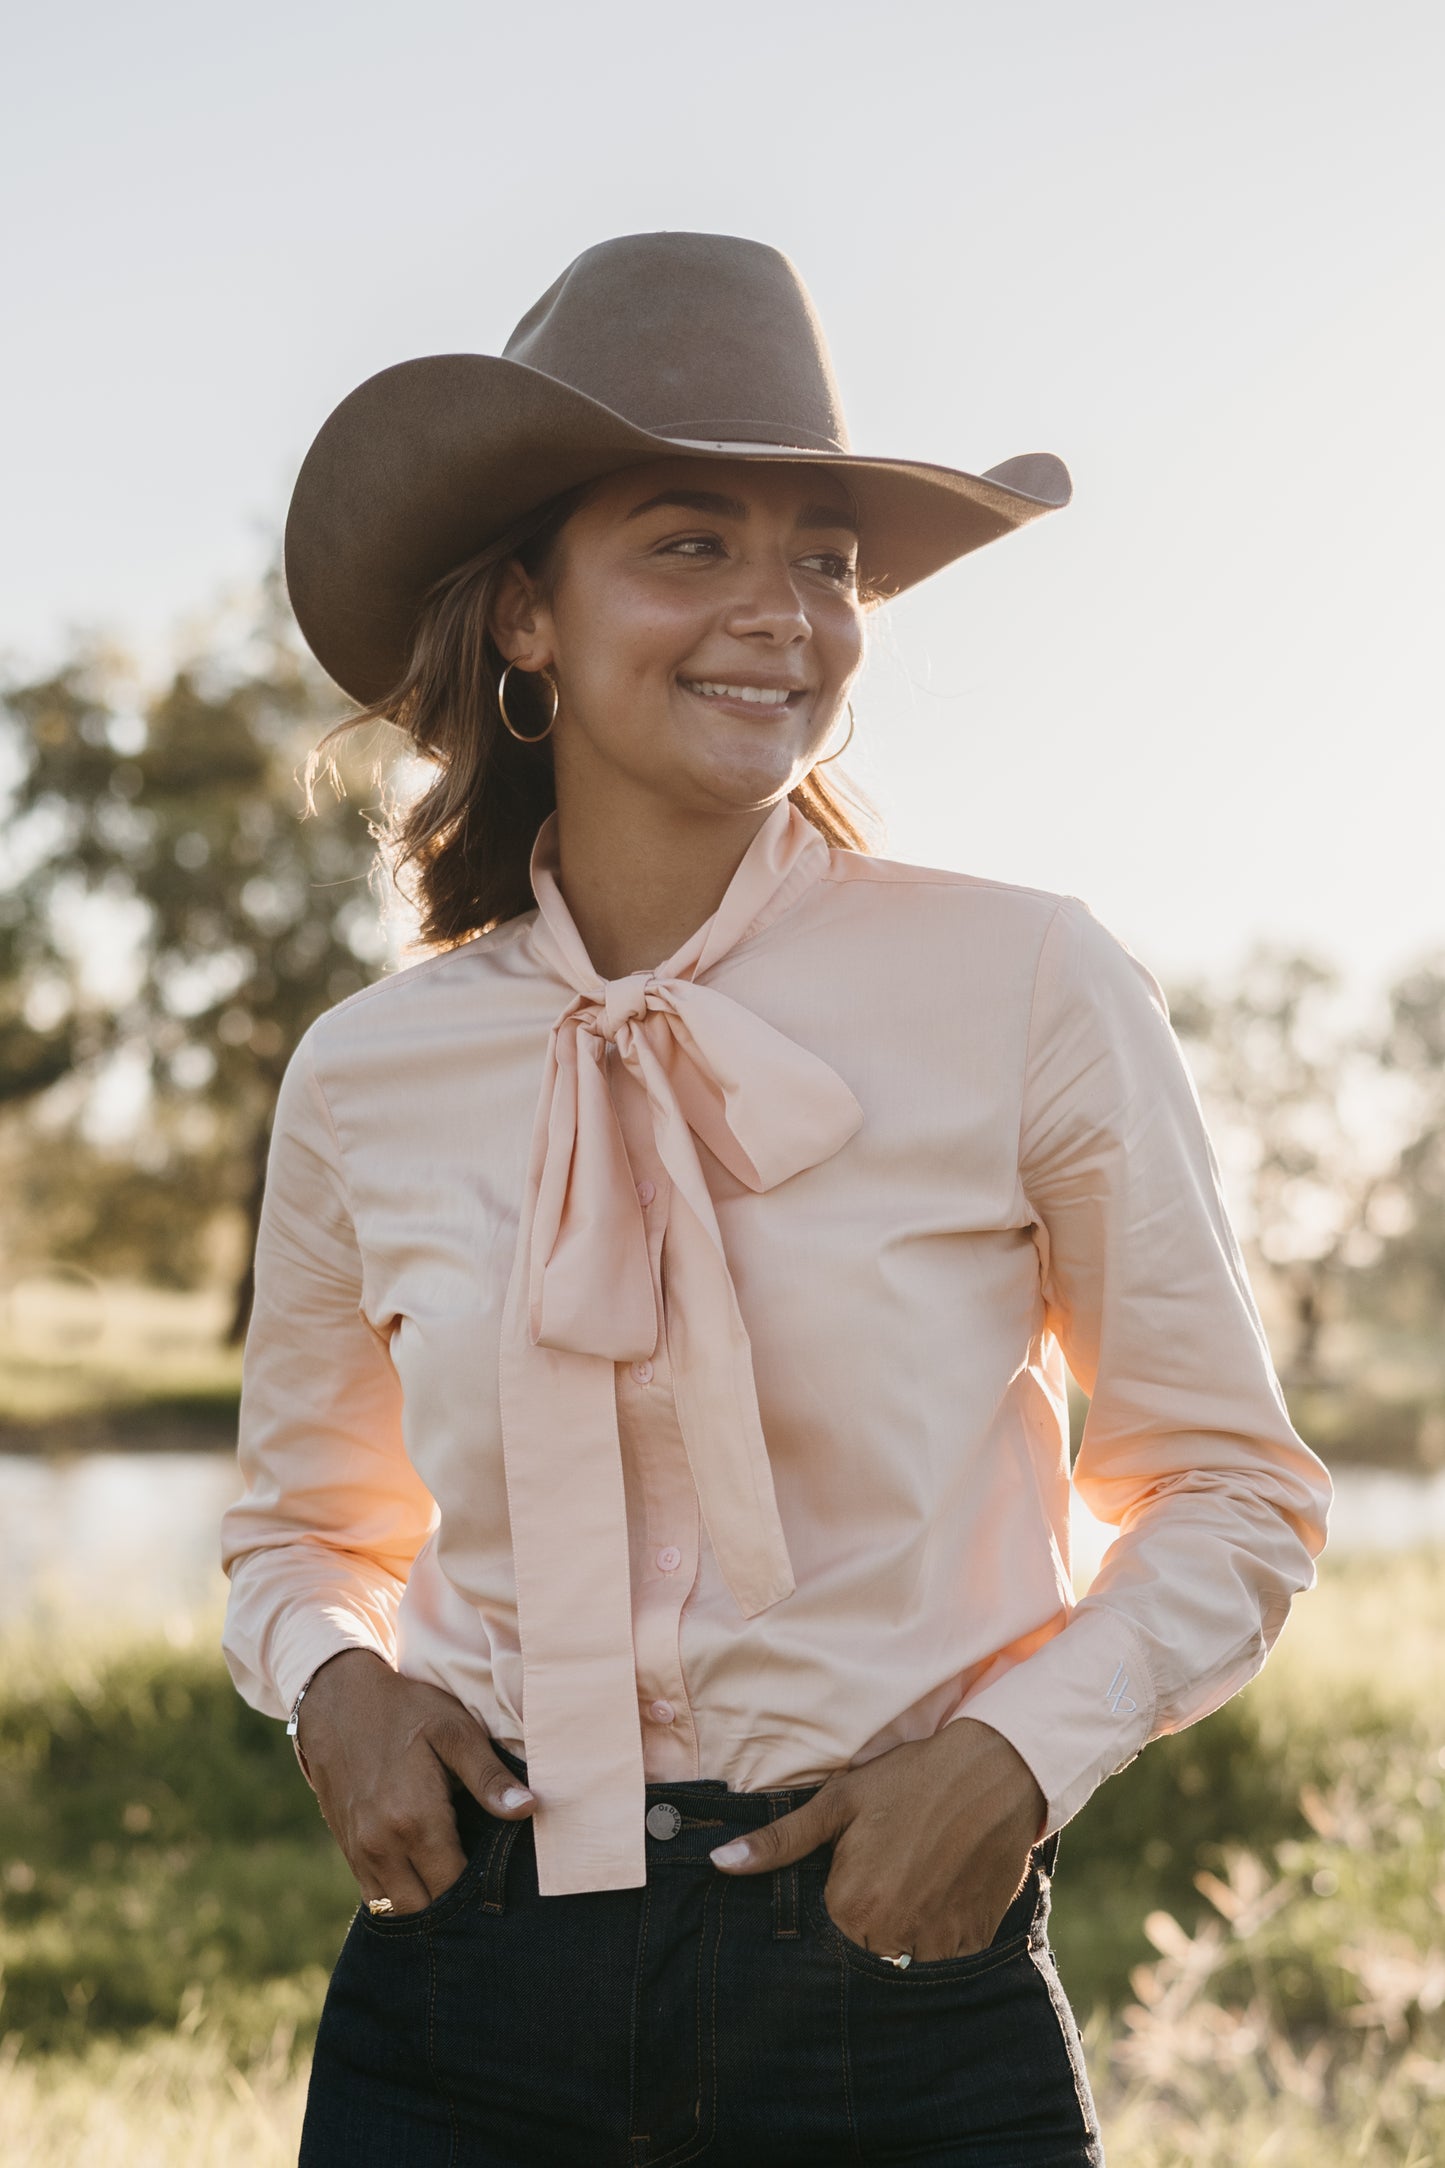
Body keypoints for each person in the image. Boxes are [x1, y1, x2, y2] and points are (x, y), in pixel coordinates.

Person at [220, 231, 1331, 2166]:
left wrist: (1011, 1762)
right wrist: (333, 1687)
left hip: (890, 1973)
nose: (780, 613)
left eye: (822, 558)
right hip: (459, 1997)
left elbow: (1229, 1491)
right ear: (526, 619)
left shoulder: (1027, 986)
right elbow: (301, 1525)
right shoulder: (368, 1072)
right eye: (687, 541)